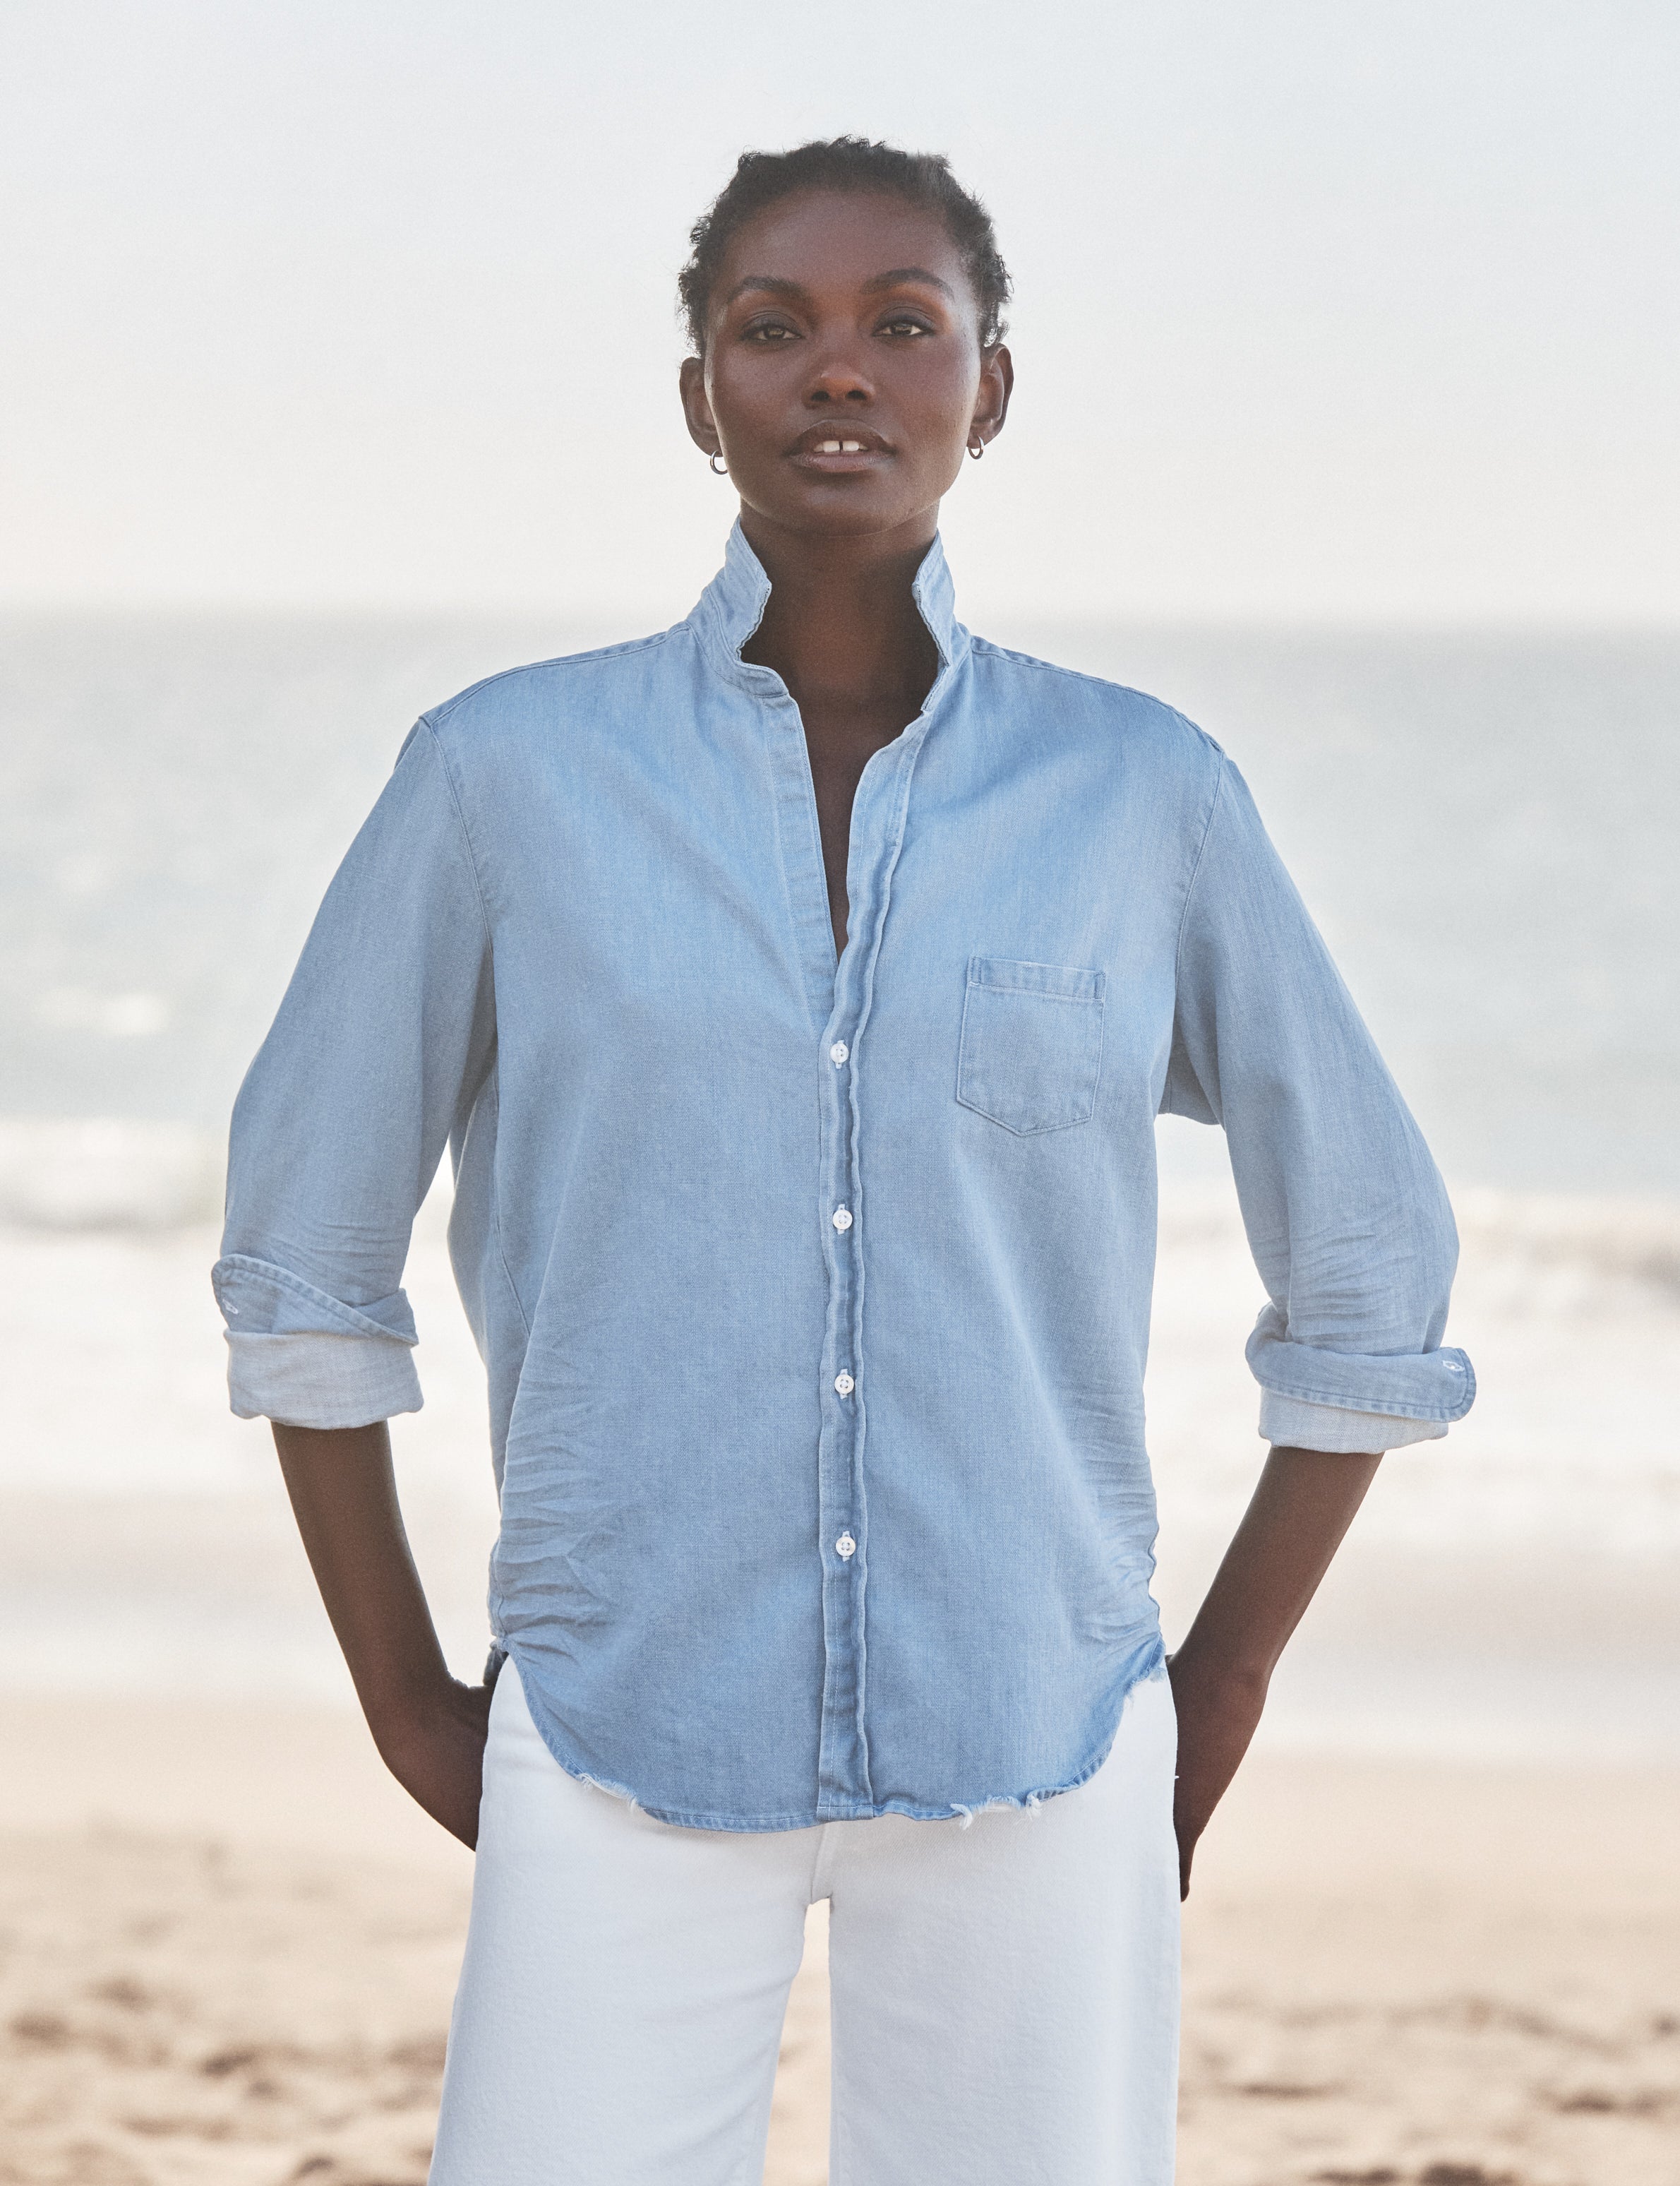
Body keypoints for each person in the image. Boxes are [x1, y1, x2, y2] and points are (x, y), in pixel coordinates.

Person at [214, 137, 1473, 2186]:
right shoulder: (501, 779)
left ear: (988, 387)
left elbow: (1369, 1261)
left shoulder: (1138, 793)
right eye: (771, 326)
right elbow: (302, 1260)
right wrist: (407, 1698)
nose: (839, 376)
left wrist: (1218, 1679)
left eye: (904, 325)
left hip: (1038, 1735)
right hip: (617, 1715)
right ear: (696, 388)